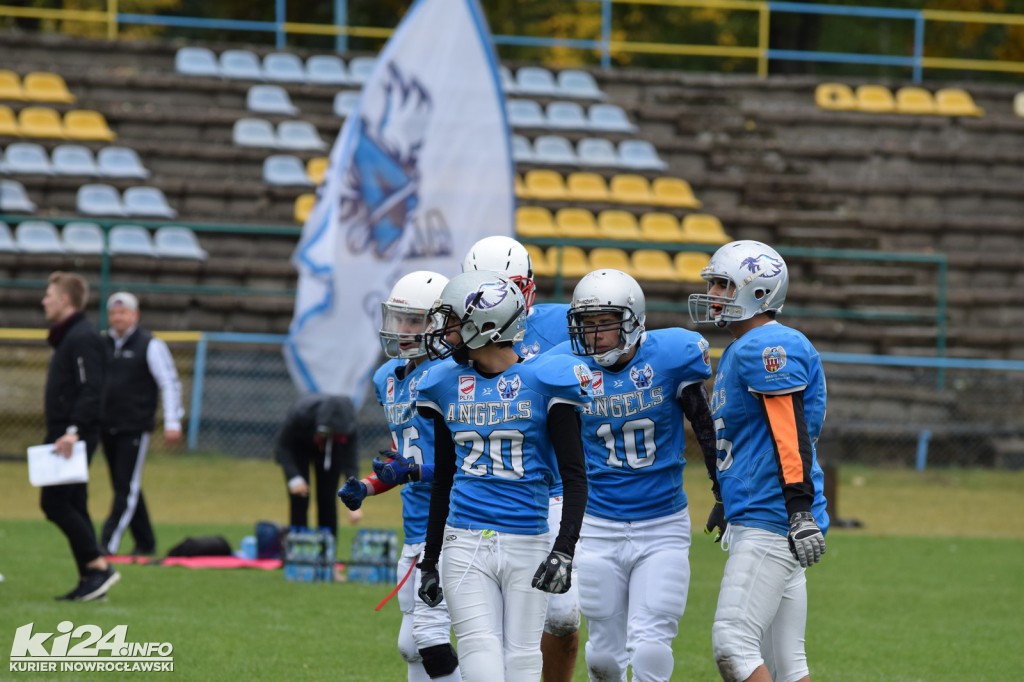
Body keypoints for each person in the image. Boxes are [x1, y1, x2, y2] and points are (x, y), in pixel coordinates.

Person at [413, 270, 592, 681]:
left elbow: (575, 477)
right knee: (480, 658)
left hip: (526, 540)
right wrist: (430, 559)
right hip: (464, 540)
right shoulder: (444, 384)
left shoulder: (547, 380)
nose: (447, 332)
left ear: (486, 325)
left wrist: (564, 549)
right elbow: (444, 479)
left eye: (454, 322)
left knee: (523, 663)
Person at [555, 268, 718, 682]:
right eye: (586, 325)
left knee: (649, 645)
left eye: (604, 324)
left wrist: (723, 492)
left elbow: (706, 425)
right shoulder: (565, 367)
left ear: (632, 320)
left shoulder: (670, 356)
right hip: (598, 525)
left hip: (662, 525)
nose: (594, 336)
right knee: (604, 658)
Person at [688, 240, 829, 682]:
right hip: (764, 511)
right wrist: (729, 498)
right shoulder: (741, 348)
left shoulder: (767, 345)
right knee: (788, 665)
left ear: (758, 292)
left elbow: (789, 433)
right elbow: (753, 442)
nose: (713, 294)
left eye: (723, 285)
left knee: (733, 644)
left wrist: (799, 508)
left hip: (775, 515)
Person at [462, 235, 581, 682]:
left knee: (564, 618)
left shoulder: (562, 325)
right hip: (484, 489)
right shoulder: (464, 339)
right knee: (485, 626)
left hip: (549, 491)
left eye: (508, 284)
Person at [338, 270, 461, 682]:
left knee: (429, 639)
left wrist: (412, 470)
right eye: (399, 319)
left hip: (453, 524)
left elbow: (473, 464)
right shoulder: (388, 378)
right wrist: (369, 486)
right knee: (412, 646)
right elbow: (406, 459)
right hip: (414, 526)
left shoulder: (454, 377)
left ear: (439, 324)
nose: (403, 330)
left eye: (414, 321)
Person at [39, 271, 120, 601]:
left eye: (48, 294)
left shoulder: (83, 336)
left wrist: (72, 431)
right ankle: (91, 577)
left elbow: (92, 389)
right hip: (65, 432)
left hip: (73, 435)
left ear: (64, 299)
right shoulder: (69, 337)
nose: (43, 300)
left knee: (55, 502)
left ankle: (98, 567)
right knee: (74, 502)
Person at [99, 291, 185, 557]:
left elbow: (169, 383)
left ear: (135, 315)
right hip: (107, 425)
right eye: (113, 313)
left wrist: (173, 421)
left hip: (134, 426)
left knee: (126, 487)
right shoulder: (103, 343)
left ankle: (106, 544)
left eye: (123, 313)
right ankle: (146, 542)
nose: (118, 318)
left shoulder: (150, 345)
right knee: (125, 485)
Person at [275, 393, 360, 537]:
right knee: (299, 496)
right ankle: (298, 546)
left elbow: (350, 462)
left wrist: (355, 496)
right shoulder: (301, 414)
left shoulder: (348, 425)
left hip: (332, 451)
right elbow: (282, 448)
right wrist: (294, 477)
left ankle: (327, 551)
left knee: (327, 498)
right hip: (300, 446)